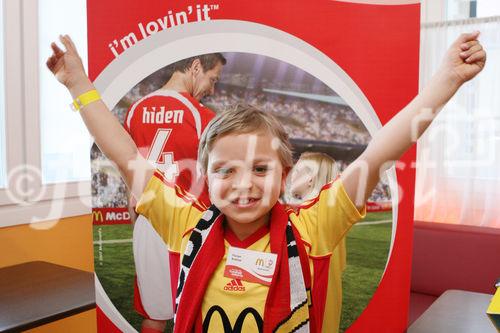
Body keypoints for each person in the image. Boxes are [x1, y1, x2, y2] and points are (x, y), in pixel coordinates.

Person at [47, 32, 486, 332]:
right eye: (226, 170)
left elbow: (379, 152)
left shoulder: (311, 227)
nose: (244, 184)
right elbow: (125, 156)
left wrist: (446, 80)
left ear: (284, 176)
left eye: (261, 169)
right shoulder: (184, 222)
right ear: (205, 176)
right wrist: (79, 84)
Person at [123, 54, 225, 333]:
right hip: (191, 226)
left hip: (149, 220)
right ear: (195, 67)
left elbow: (129, 175)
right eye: (212, 79)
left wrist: (138, 219)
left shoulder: (135, 110)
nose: (212, 89)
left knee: (154, 317)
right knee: (196, 313)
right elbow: (216, 180)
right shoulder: (202, 116)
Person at [286, 152, 345, 333]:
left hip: (311, 309)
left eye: (296, 171)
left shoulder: (303, 216)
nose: (291, 176)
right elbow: (341, 265)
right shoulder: (330, 216)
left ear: (310, 179)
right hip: (330, 303)